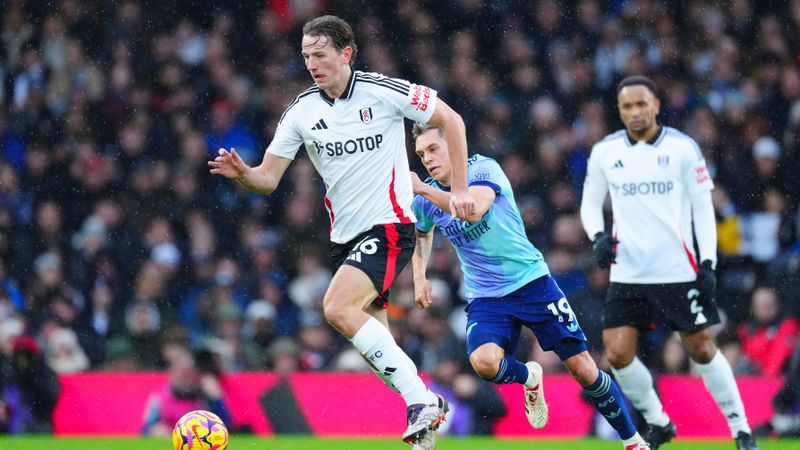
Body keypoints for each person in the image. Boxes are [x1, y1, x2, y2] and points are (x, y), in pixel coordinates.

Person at [208, 15, 476, 448]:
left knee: (335, 307)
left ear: (346, 53)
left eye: (320, 54)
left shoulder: (383, 91)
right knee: (378, 350)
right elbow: (267, 180)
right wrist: (242, 173)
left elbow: (453, 121)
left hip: (390, 226)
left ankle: (422, 402)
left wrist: (460, 190)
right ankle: (427, 416)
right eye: (305, 56)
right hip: (345, 239)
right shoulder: (301, 111)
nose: (312, 63)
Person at [409, 122, 649, 450]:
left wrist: (421, 189)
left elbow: (473, 210)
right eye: (421, 154)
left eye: (433, 149)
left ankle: (633, 441)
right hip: (487, 296)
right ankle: (528, 377)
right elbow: (423, 232)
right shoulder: (426, 201)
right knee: (484, 363)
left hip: (532, 283)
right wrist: (419, 275)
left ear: (453, 144)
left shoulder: (482, 168)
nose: (427, 159)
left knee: (584, 371)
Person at [579, 75, 760, 450]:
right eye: (627, 106)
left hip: (676, 270)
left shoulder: (682, 148)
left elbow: (702, 209)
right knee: (615, 352)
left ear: (656, 105)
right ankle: (659, 421)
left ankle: (741, 429)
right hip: (627, 271)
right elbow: (590, 204)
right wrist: (598, 237)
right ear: (620, 110)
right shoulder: (605, 152)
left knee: (702, 348)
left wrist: (707, 263)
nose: (635, 112)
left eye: (642, 104)